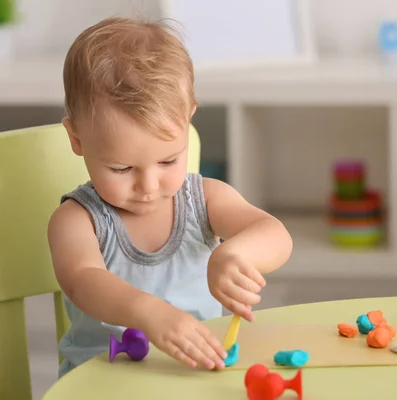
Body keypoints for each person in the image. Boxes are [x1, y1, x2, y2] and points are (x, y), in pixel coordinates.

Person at [47, 16, 293, 378]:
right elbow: (83, 280)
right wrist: (149, 313)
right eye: (121, 169)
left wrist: (234, 254)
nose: (148, 185)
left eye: (168, 160)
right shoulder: (76, 219)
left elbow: (275, 234)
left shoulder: (204, 200)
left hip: (190, 378)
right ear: (77, 139)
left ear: (188, 118)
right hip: (100, 383)